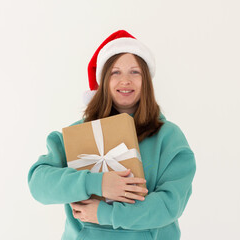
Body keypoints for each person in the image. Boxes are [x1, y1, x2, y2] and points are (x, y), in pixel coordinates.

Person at [28, 30, 196, 240]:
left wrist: (104, 214)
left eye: (135, 72)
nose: (125, 80)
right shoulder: (78, 134)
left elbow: (169, 205)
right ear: (104, 81)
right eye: (115, 72)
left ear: (146, 81)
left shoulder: (169, 138)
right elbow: (39, 183)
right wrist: (97, 183)